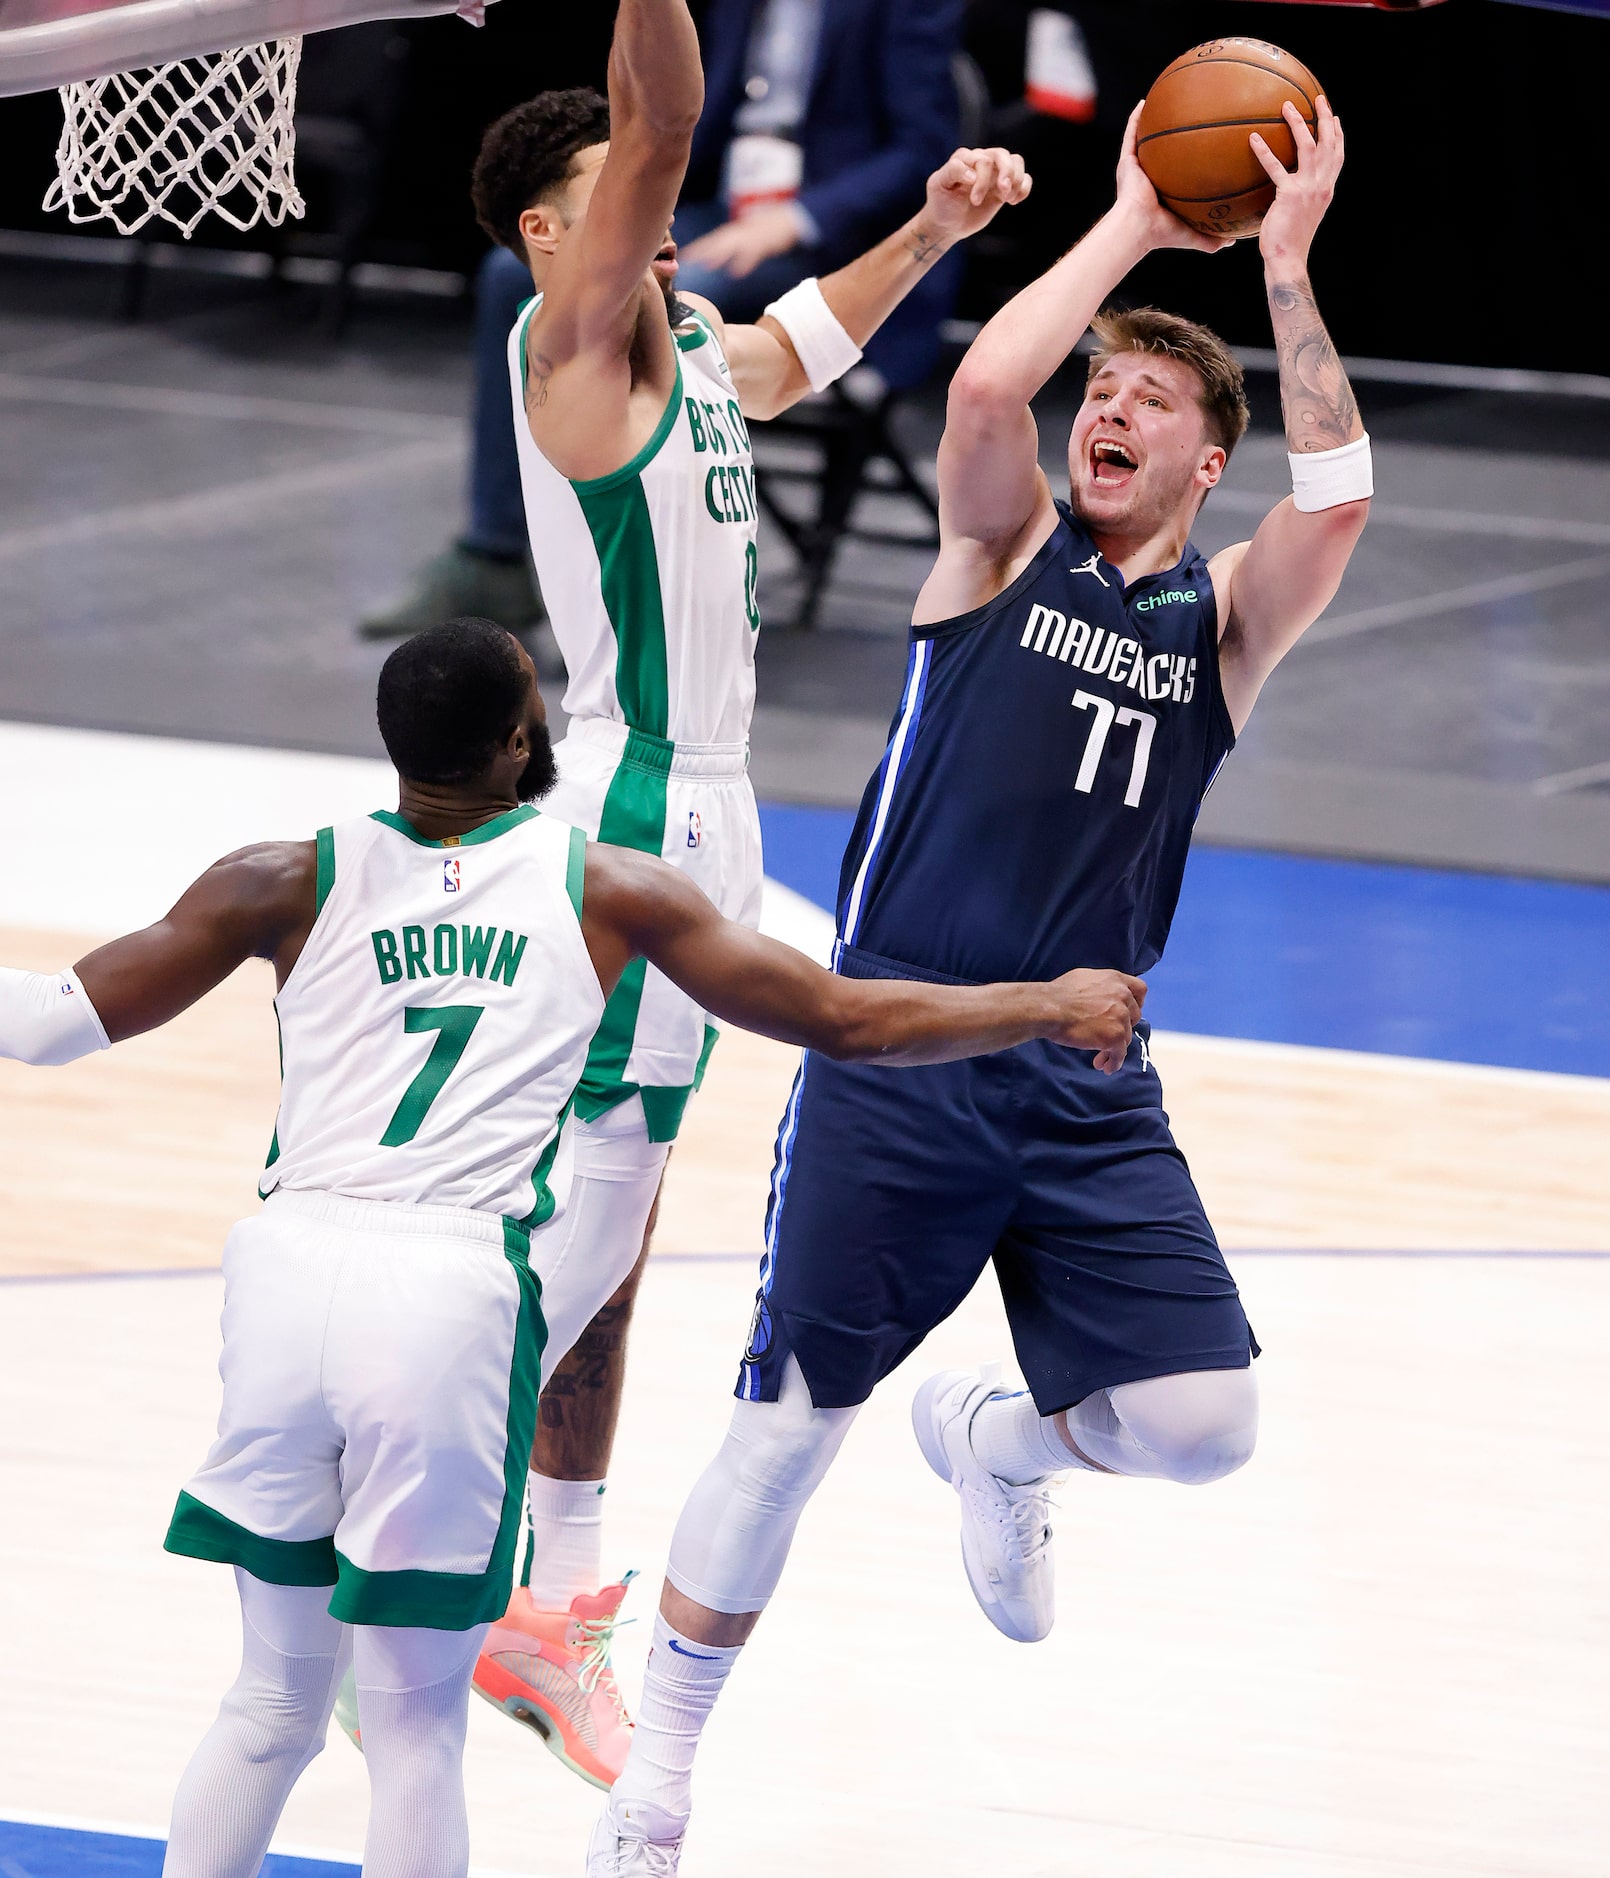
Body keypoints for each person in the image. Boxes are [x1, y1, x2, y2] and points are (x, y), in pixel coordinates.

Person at [0, 618, 1145, 1878]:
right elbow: (843, 1021)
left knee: (269, 1703)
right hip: (443, 1295)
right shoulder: (608, 887)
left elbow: (53, 1022)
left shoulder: (281, 877)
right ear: (518, 740)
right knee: (416, 1723)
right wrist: (1046, 1004)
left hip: (280, 1273)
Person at [588, 95, 1370, 1872]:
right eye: (1105, 392)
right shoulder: (999, 552)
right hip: (899, 1049)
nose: (1109, 409)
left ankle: (1007, 1438)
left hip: (1086, 1075)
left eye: (1151, 402)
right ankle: (660, 1780)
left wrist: (1287, 264)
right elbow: (980, 396)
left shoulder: (1225, 624)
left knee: (1201, 1429)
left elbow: (1342, 493)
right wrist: (1125, 229)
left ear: (1202, 464)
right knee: (780, 1437)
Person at [448, 0, 1029, 1789]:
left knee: (617, 1241)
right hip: (635, 799)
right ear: (559, 227)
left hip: (712, 809)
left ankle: (547, 1593)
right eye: (620, 195)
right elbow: (669, 111)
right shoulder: (577, 341)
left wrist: (931, 229)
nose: (665, 222)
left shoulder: (688, 348)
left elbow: (798, 350)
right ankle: (457, 1569)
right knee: (587, 1219)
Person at [356, 0, 964, 641]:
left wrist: (796, 218)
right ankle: (494, 551)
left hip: (829, 230)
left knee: (658, 294)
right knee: (513, 273)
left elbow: (920, 146)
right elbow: (667, 117)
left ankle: (618, 580)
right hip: (726, 206)